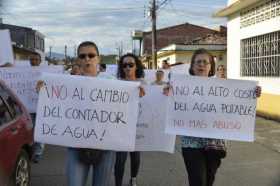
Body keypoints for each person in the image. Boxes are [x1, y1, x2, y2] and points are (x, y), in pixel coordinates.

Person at [167, 48, 261, 186]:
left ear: (211, 67)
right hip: (191, 143)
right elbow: (170, 102)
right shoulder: (181, 86)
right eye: (198, 62)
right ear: (192, 66)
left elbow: (234, 105)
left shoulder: (222, 87)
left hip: (214, 145)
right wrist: (167, 92)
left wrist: (253, 93)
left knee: (209, 181)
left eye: (205, 62)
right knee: (197, 180)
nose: (201, 64)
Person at [66, 41, 115, 186]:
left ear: (98, 58)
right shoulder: (67, 83)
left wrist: (140, 92)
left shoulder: (112, 82)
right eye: (82, 56)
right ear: (77, 60)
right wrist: (44, 89)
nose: (87, 59)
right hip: (76, 145)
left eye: (91, 55)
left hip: (106, 146)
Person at [115, 53, 145, 186]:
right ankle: (118, 183)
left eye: (131, 65)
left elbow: (154, 101)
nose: (127, 67)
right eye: (124, 65)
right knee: (120, 159)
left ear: (136, 66)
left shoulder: (143, 83)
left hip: (137, 126)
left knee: (135, 157)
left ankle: (133, 178)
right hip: (120, 126)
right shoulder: (116, 83)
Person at [29, 54, 45, 163]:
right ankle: (31, 150)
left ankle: (38, 153)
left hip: (41, 108)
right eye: (32, 59)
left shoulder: (45, 73)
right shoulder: (23, 73)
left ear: (40, 61)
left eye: (36, 59)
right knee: (30, 130)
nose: (34, 61)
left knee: (39, 130)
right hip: (28, 108)